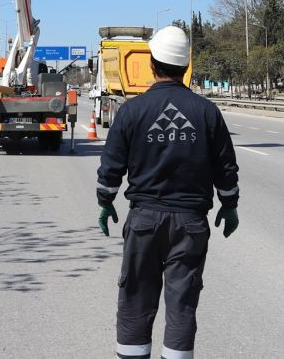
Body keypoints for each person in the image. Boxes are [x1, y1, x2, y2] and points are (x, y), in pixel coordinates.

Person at [96, 26, 240, 359]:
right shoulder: (206, 112)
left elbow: (111, 165)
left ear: (152, 64)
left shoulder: (133, 111)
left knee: (136, 297)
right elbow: (225, 168)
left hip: (144, 221)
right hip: (190, 224)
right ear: (186, 66)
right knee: (182, 302)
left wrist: (106, 201)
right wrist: (229, 204)